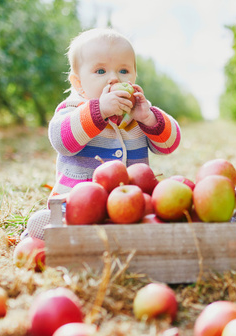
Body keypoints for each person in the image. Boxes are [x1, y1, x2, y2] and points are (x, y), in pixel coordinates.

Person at [21, 28, 181, 240]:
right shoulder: (73, 109)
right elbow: (62, 142)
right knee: (71, 217)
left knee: (155, 213)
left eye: (123, 71)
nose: (113, 79)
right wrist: (100, 111)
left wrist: (149, 118)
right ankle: (55, 227)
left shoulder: (139, 112)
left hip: (129, 202)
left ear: (134, 76)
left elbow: (169, 144)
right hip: (80, 202)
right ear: (78, 83)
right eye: (100, 71)